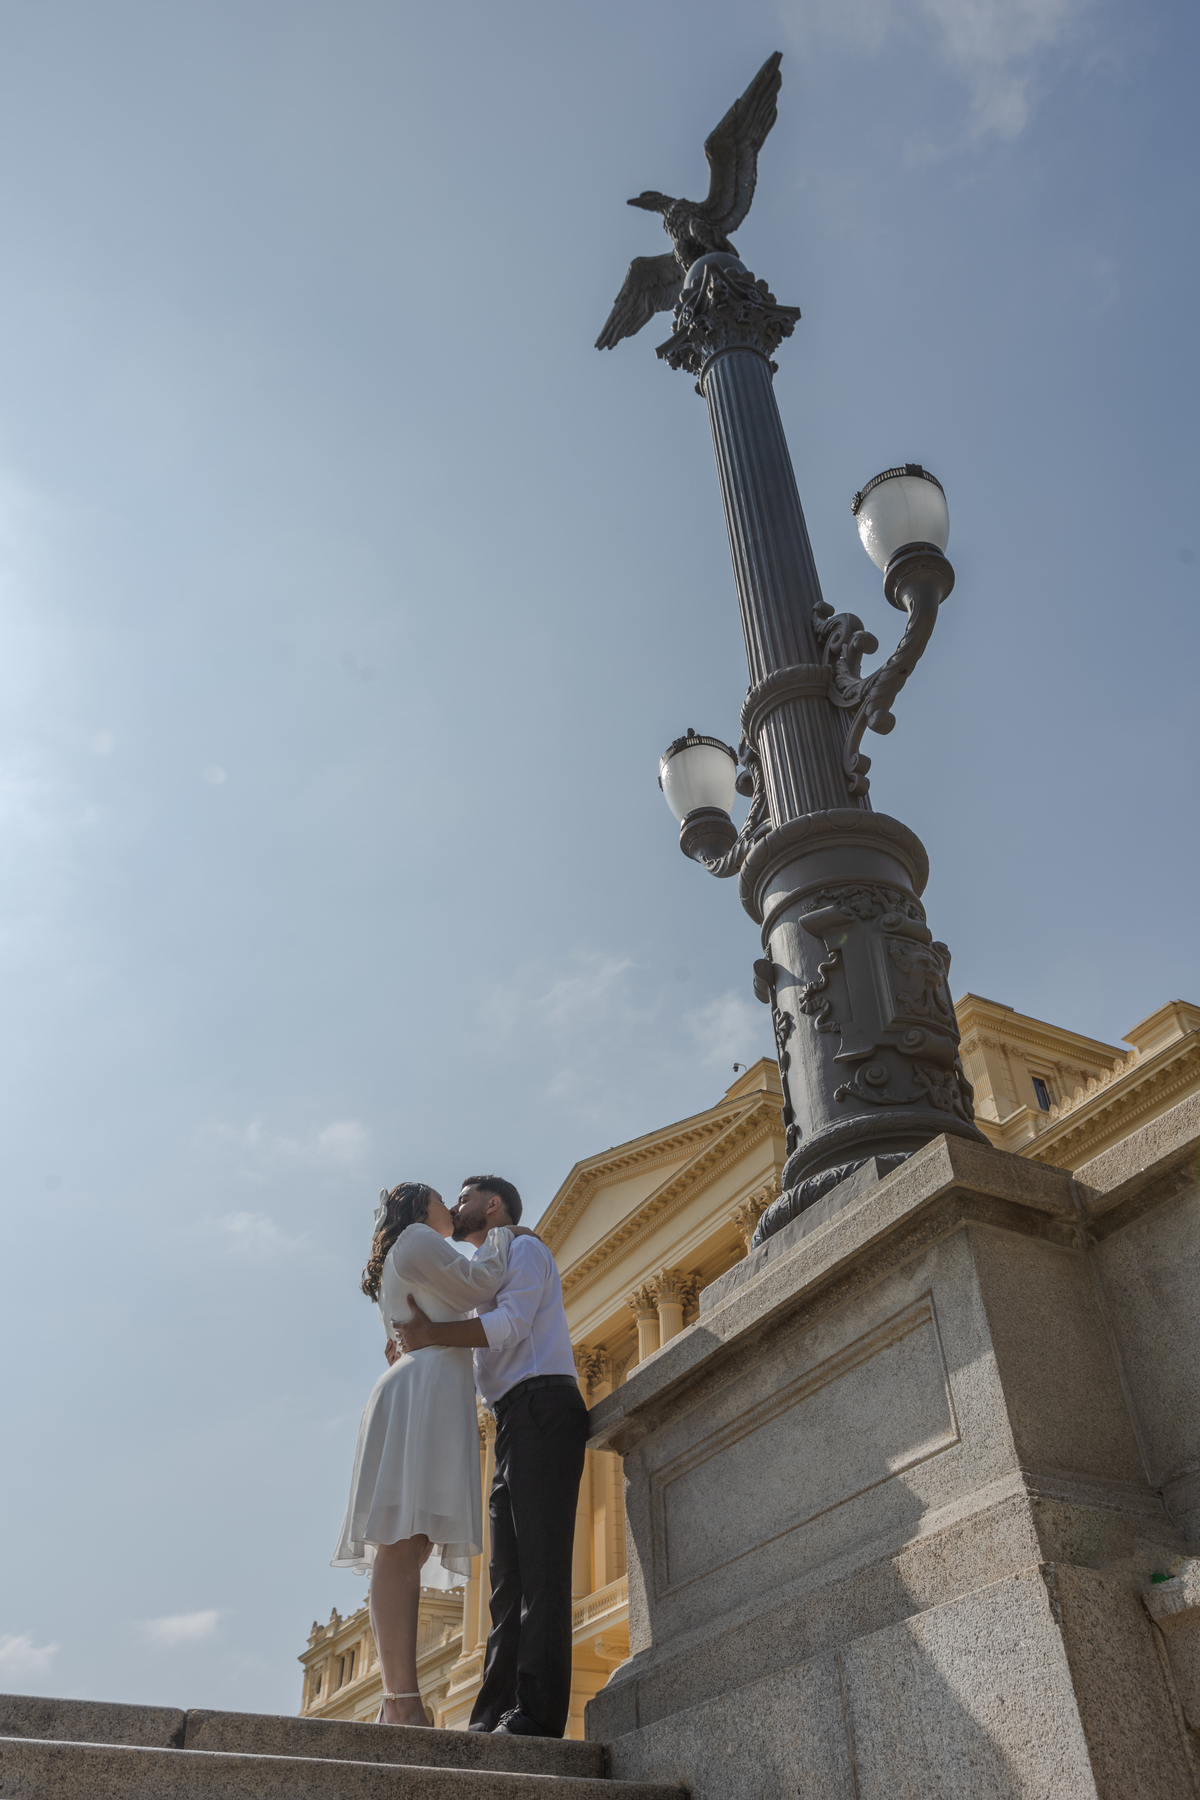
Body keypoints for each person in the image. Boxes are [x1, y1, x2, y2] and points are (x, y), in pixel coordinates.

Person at [397, 1174, 588, 1740]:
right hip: (512, 1420)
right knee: (506, 1580)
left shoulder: (526, 1249)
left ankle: (537, 1716)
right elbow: (469, 1311)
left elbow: (508, 1327)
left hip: (544, 1407)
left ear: (493, 1203)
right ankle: (491, 1717)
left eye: (464, 1198)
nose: (456, 1209)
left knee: (542, 1575)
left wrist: (433, 1333)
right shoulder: (490, 1266)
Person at [330, 1181, 518, 1727]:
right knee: (402, 1543)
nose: (450, 1208)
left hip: (427, 1390)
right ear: (419, 1207)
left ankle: (399, 1699)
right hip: (425, 1391)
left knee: (409, 1545)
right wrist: (504, 1236)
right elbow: (480, 1283)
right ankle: (402, 1700)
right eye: (441, 1197)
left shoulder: (404, 1251)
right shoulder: (415, 1238)